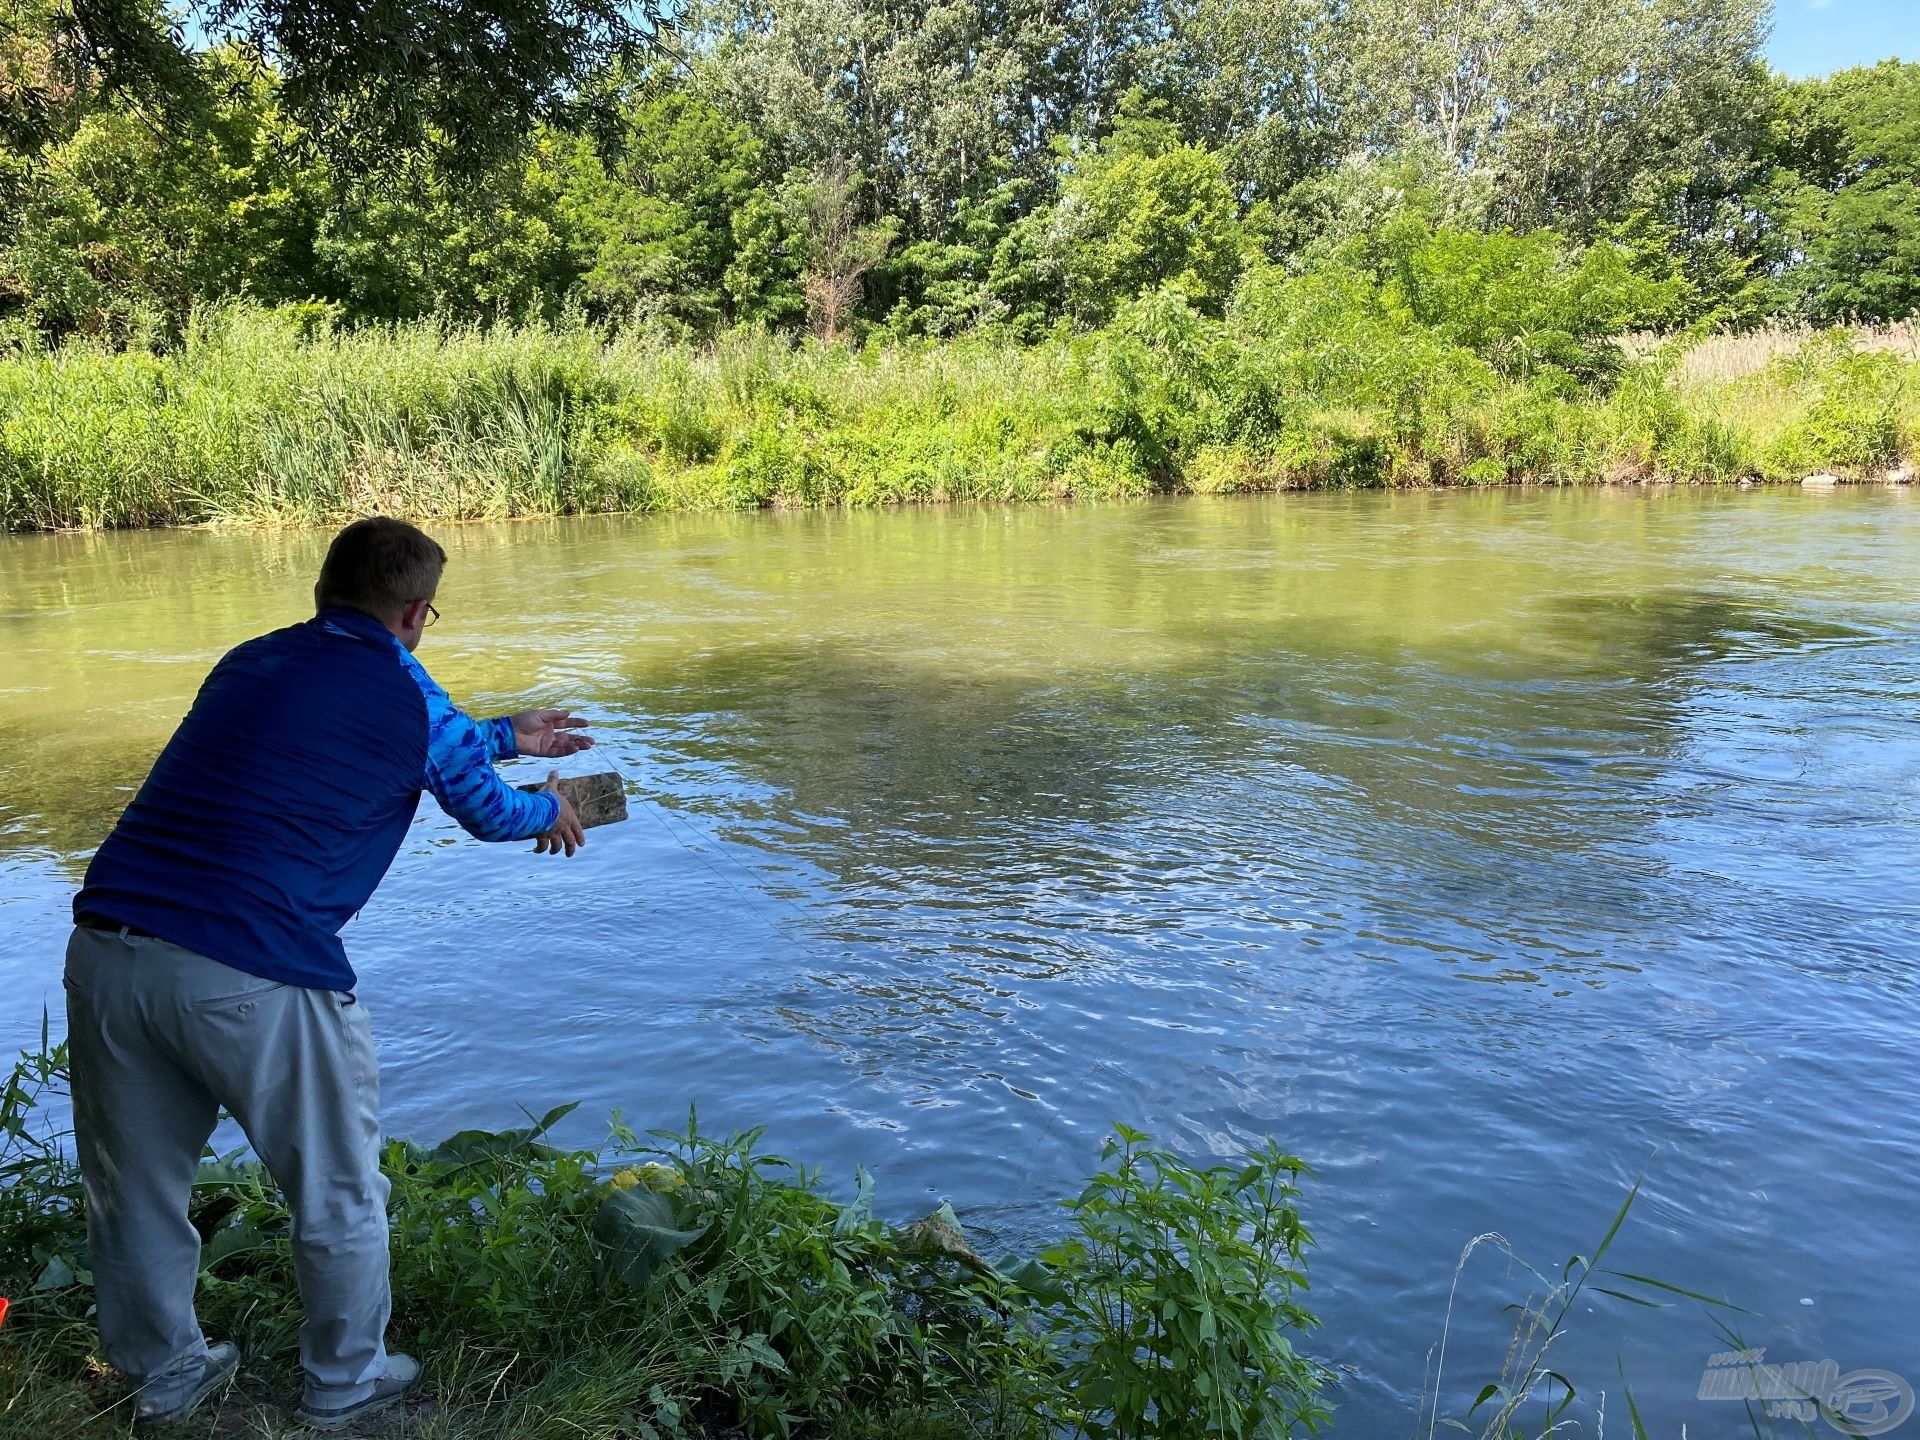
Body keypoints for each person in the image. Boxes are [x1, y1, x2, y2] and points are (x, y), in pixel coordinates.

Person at [64, 516, 593, 1429]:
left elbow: (399, 731)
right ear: (419, 612)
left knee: (135, 1192)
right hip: (251, 966)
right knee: (340, 1192)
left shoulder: (252, 660)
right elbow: (481, 808)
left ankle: (164, 1376)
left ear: (324, 588)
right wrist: (547, 808)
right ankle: (346, 1387)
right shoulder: (405, 689)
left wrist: (505, 730)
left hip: (110, 944)